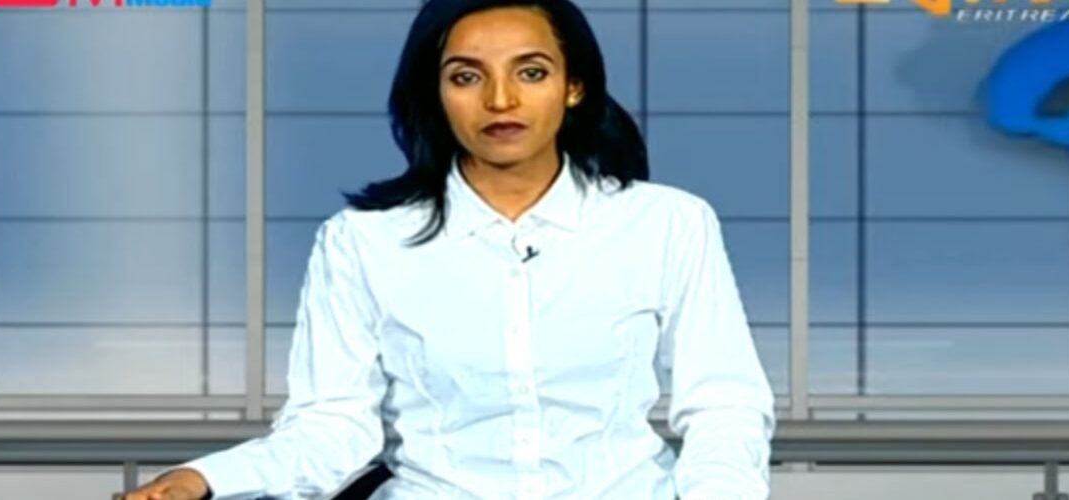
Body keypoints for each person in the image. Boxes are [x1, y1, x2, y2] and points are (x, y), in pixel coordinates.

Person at [122, 0, 774, 498]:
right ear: (435, 93)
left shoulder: (667, 224)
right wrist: (206, 479)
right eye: (466, 76)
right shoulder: (363, 241)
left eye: (531, 72)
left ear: (574, 86)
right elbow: (333, 426)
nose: (500, 99)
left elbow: (724, 408)